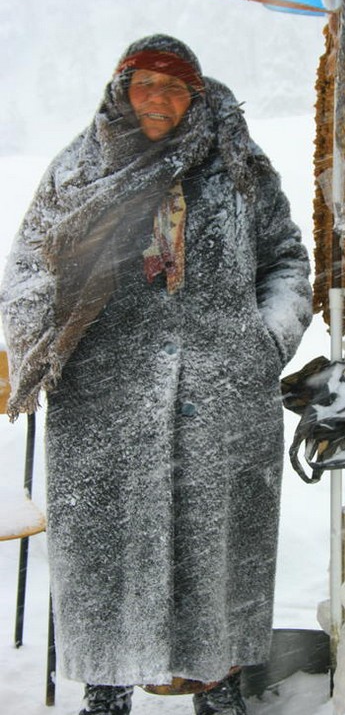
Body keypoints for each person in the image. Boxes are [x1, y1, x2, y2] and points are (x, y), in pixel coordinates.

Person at [0, 35, 312, 714]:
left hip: (222, 391)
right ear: (120, 90)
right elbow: (28, 265)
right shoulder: (79, 170)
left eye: (174, 89)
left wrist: (264, 340)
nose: (158, 100)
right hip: (103, 395)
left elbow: (286, 261)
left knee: (217, 546)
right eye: (144, 84)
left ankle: (219, 684)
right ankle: (105, 689)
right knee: (106, 548)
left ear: (196, 97)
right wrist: (39, 337)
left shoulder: (238, 171)